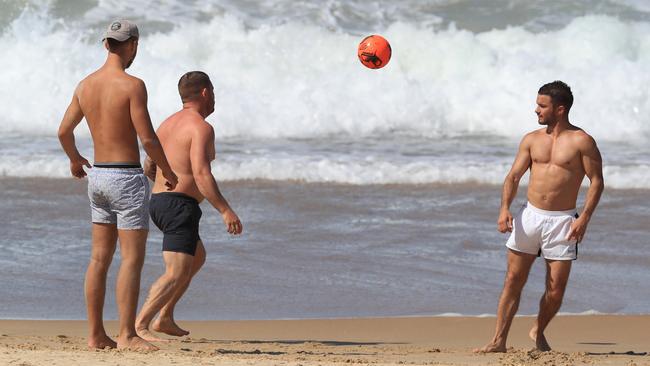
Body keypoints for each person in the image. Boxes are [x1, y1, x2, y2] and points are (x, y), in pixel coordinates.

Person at [57, 19, 177, 350]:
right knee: (131, 259)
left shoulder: (85, 84)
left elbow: (63, 132)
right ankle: (127, 334)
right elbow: (148, 139)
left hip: (97, 177)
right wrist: (167, 169)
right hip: (125, 177)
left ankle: (96, 335)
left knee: (98, 258)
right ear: (132, 45)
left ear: (106, 44)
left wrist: (74, 159)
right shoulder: (133, 85)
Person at [475, 81, 604, 353]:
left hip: (562, 222)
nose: (536, 110)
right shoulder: (532, 139)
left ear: (560, 109)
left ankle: (539, 328)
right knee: (513, 279)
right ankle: (498, 341)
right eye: (537, 105)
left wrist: (585, 219)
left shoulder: (582, 141)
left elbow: (596, 181)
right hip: (530, 217)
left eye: (542, 106)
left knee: (555, 290)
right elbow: (513, 176)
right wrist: (504, 209)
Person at [135, 71, 242, 341]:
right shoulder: (200, 127)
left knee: (196, 257)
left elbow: (150, 165)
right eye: (213, 92)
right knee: (176, 271)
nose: (214, 97)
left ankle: (166, 317)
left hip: (159, 202)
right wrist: (225, 210)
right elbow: (201, 173)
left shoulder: (167, 124)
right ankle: (140, 325)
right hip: (178, 206)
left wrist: (164, 185)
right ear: (205, 93)